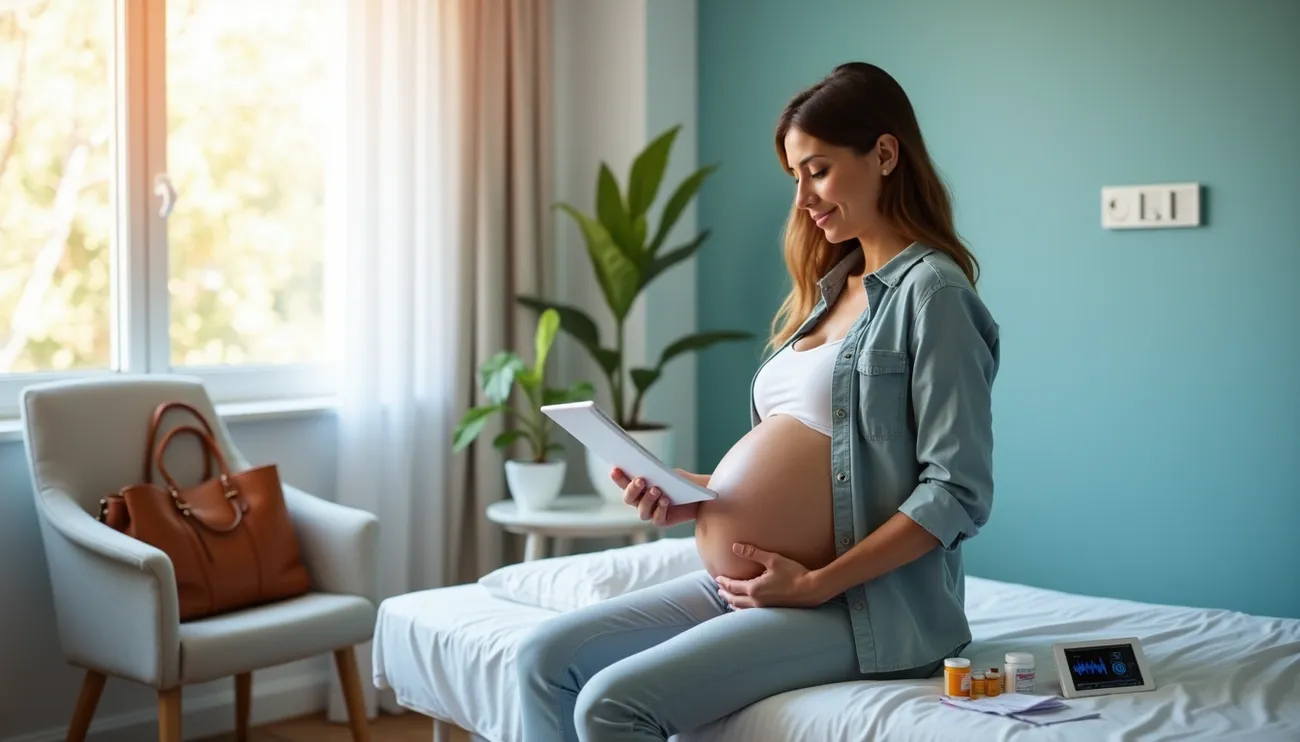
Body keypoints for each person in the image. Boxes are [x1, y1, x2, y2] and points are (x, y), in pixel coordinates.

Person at [515, 61, 1001, 742]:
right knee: (542, 659)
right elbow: (823, 462)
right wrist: (697, 492)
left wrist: (818, 585)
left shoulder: (934, 295)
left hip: (860, 609)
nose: (804, 197)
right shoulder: (831, 293)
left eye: (819, 170)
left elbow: (956, 491)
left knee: (610, 705)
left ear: (884, 154)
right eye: (795, 178)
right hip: (756, 589)